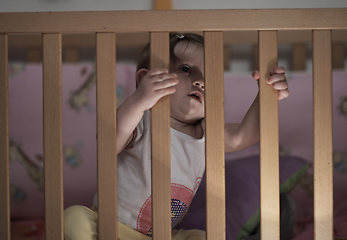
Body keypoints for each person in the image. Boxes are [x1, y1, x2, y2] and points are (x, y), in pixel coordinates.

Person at [64, 32, 289, 240]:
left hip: (163, 235)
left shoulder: (206, 134)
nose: (201, 81)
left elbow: (242, 137)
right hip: (112, 229)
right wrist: (138, 101)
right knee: (73, 219)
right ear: (146, 80)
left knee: (204, 237)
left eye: (209, 76)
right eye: (186, 69)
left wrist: (267, 95)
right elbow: (108, 142)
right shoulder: (142, 120)